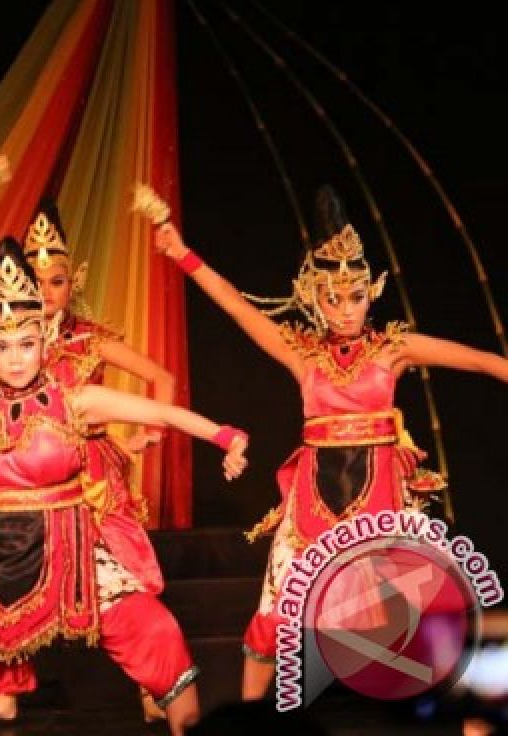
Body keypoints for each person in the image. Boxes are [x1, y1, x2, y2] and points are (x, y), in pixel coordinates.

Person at [0, 191, 248, 735]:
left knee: (160, 635)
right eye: (4, 344)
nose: (15, 356)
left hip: (74, 555)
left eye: (26, 343)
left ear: (45, 341)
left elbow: (161, 409)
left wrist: (224, 435)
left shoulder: (73, 399)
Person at [151, 186, 508, 699]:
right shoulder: (303, 354)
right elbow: (237, 308)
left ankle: (475, 714)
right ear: (313, 296)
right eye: (332, 298)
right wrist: (182, 254)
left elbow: (480, 359)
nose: (345, 310)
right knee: (273, 617)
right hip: (311, 505)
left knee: (427, 613)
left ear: (373, 290)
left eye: (356, 296)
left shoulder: (393, 349)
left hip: (381, 501)